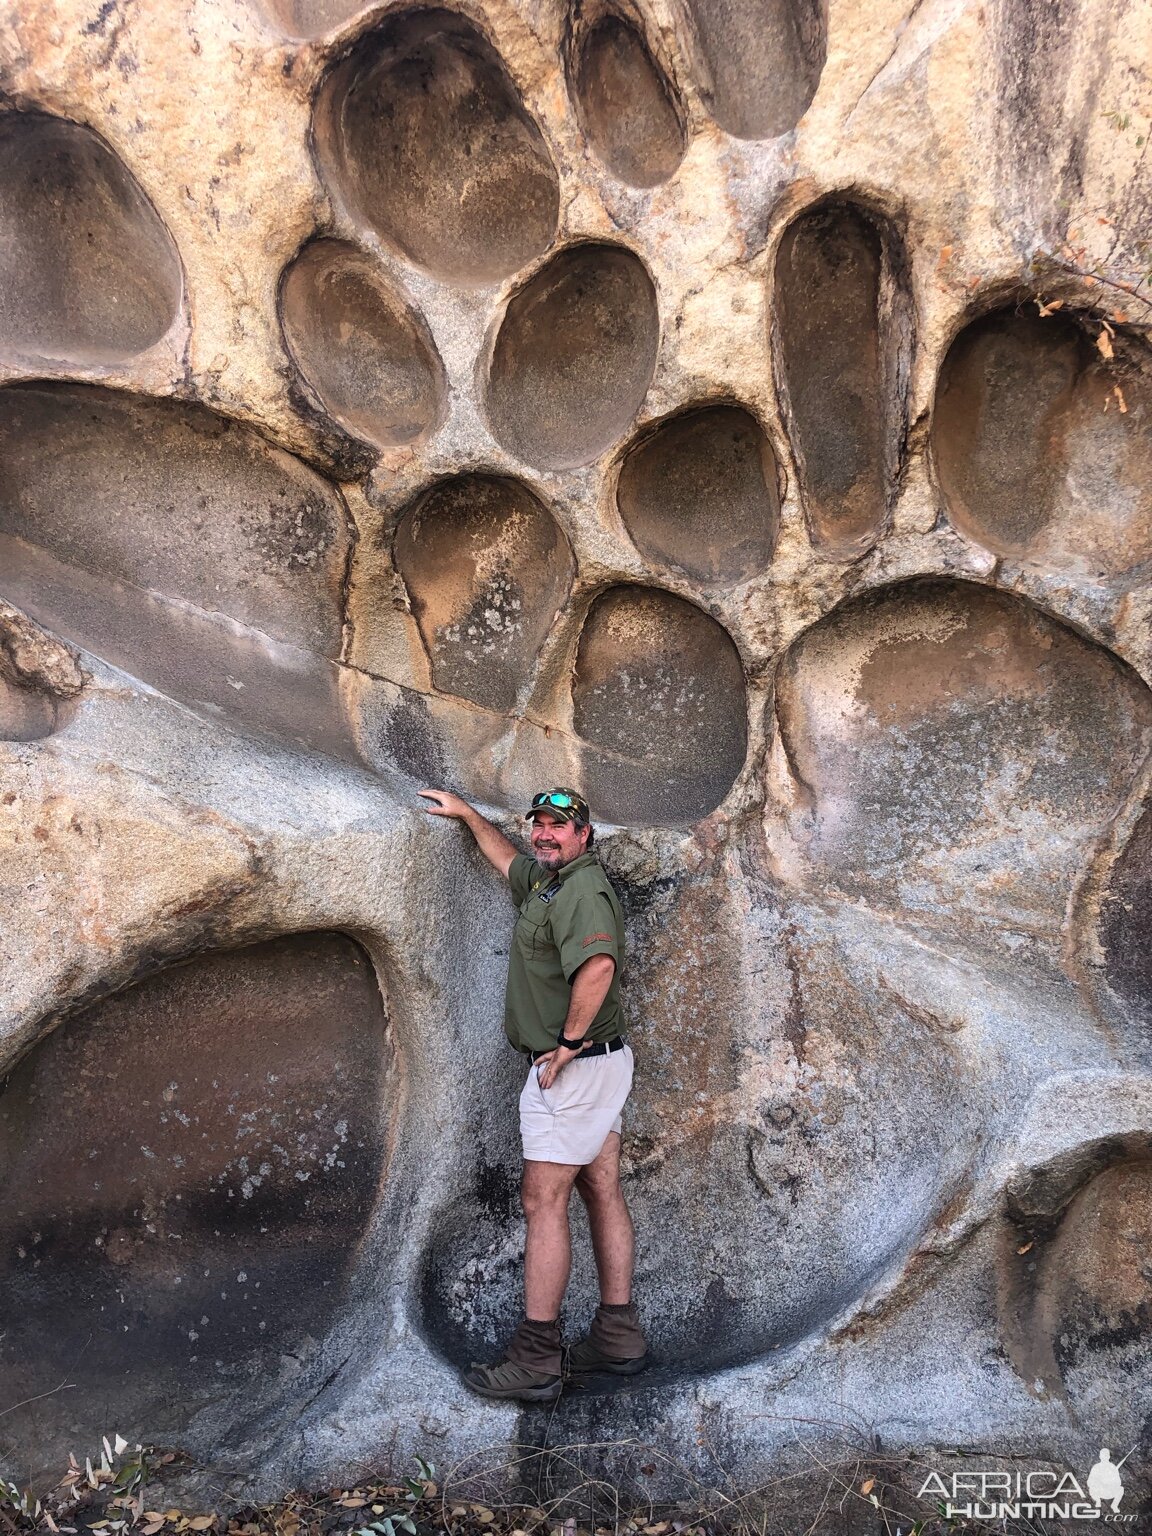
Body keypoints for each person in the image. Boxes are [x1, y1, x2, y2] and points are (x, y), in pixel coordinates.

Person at [418, 785, 647, 1401]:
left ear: (584, 833)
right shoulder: (550, 881)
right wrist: (468, 815)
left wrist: (567, 1045)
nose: (545, 834)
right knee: (600, 1185)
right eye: (539, 825)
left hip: (573, 1070)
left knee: (543, 1200)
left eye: (558, 826)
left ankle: (538, 1355)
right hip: (597, 1066)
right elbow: (509, 862)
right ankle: (618, 1336)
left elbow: (598, 967)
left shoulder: (583, 892)